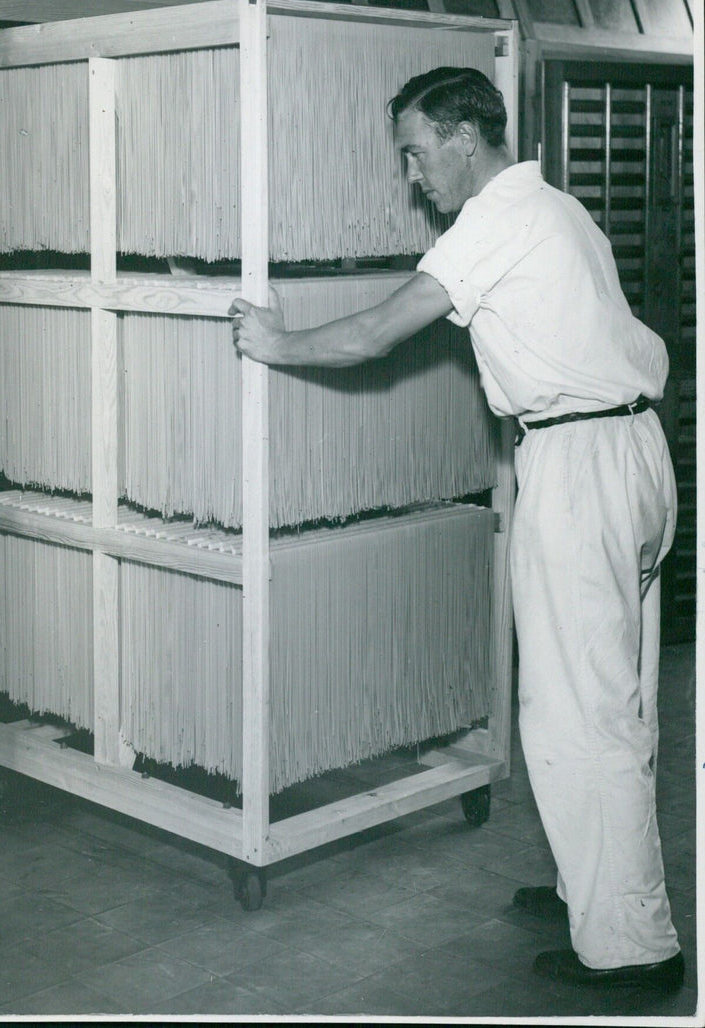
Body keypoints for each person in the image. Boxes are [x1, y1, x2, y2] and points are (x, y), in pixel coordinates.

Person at [228, 67, 683, 996]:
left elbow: (378, 333)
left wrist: (277, 344)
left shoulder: (495, 222)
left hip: (579, 467)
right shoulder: (562, 209)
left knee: (573, 712)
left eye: (417, 151)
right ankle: (594, 893)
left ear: (464, 140)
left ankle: (635, 952)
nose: (412, 175)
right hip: (634, 453)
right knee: (615, 700)